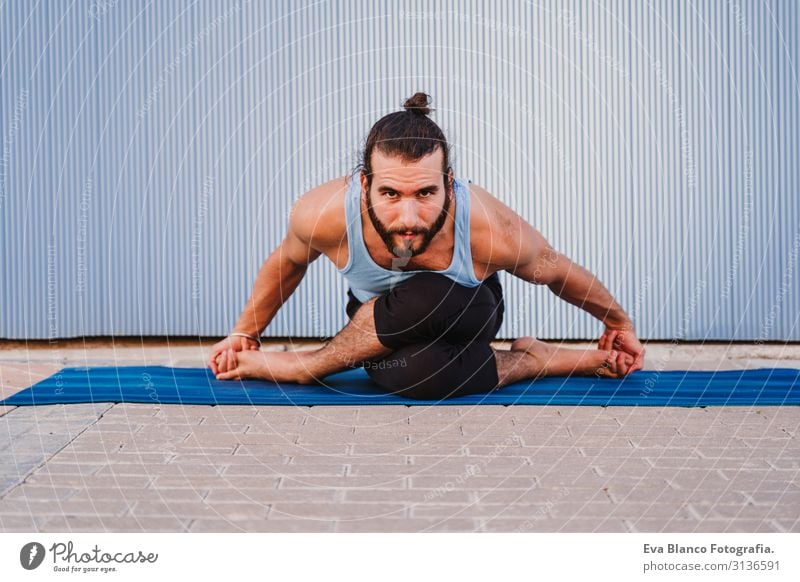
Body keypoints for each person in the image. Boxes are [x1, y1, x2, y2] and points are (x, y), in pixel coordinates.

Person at [207, 92, 645, 399]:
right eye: (391, 195)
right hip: (374, 331)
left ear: (448, 185)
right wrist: (246, 332)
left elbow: (556, 269)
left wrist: (619, 323)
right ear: (366, 184)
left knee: (427, 294)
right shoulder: (322, 213)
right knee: (425, 377)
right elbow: (288, 262)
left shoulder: (491, 228)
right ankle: (539, 359)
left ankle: (310, 366)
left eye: (426, 194)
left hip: (469, 310)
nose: (409, 218)